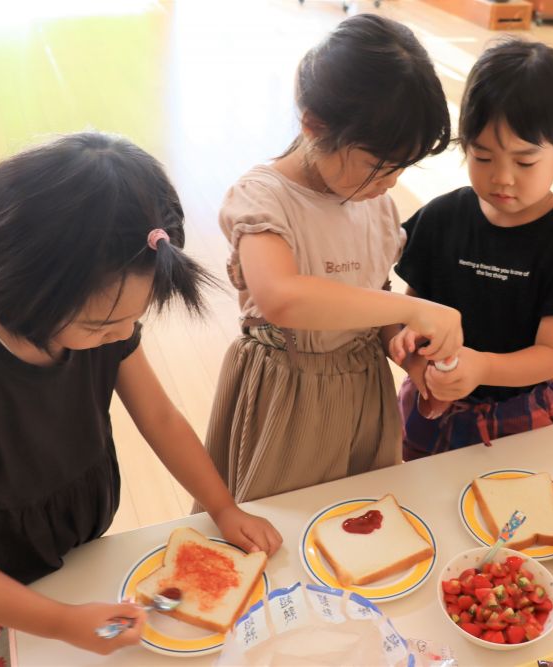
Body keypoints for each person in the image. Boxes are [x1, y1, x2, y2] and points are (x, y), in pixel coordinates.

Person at [0, 132, 281, 667]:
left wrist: (222, 505)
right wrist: (62, 623)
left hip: (68, 547)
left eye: (132, 321)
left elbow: (160, 417)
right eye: (104, 324)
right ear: (28, 289)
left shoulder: (98, 323)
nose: (121, 336)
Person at [203, 14, 460, 501]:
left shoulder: (374, 203)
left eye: (403, 168)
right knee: (280, 530)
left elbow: (373, 302)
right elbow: (282, 298)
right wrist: (412, 308)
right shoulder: (264, 198)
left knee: (358, 522)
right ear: (315, 127)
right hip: (287, 397)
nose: (391, 183)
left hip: (364, 393)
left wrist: (413, 358)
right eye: (378, 165)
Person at [390, 39, 553, 458]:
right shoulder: (441, 218)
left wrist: (483, 369)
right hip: (430, 402)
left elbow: (551, 354)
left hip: (518, 411)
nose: (503, 178)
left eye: (525, 162)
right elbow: (412, 314)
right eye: (483, 157)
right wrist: (415, 360)